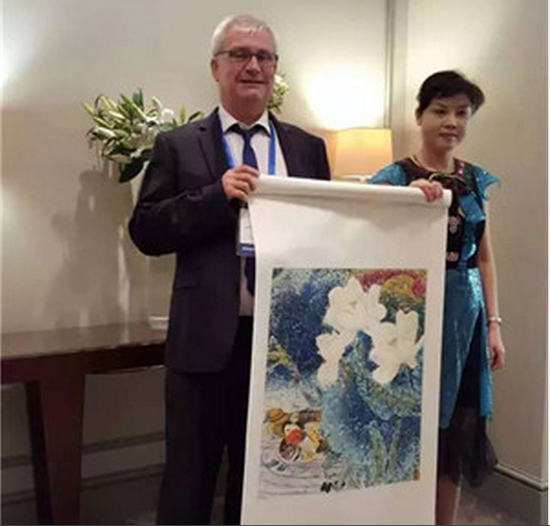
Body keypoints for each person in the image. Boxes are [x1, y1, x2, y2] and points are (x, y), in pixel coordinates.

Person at [129, 14, 330, 525]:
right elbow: (146, 230)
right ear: (215, 67)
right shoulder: (178, 144)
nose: (252, 66)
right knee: (188, 482)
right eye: (240, 54)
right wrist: (213, 196)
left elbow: (330, 234)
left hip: (283, 350)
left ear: (275, 69)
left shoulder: (308, 148)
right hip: (203, 345)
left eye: (263, 57)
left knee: (267, 483)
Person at [370, 70, 505, 525]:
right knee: (405, 423)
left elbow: (484, 257)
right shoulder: (393, 178)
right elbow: (365, 250)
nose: (451, 122)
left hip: (465, 319)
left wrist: (494, 325)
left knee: (456, 429)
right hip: (409, 318)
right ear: (420, 115)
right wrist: (404, 204)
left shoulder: (475, 180)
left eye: (462, 113)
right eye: (440, 110)